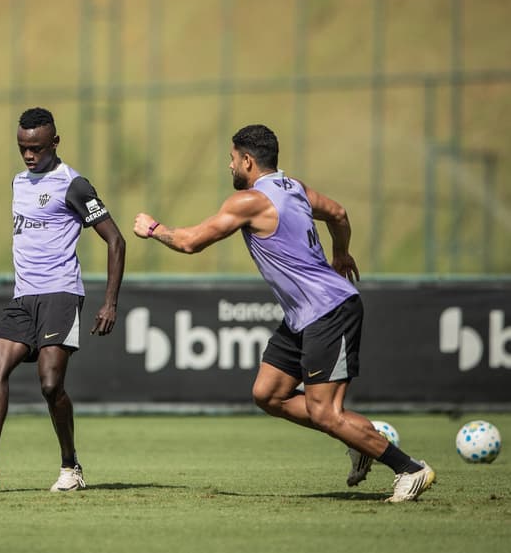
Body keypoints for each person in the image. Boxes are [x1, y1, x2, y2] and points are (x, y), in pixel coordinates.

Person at [133, 124, 435, 503]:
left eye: (231, 159)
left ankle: (409, 468)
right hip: (303, 316)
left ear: (247, 160)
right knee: (268, 393)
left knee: (324, 413)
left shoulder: (250, 201)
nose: (228, 167)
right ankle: (360, 438)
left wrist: (154, 228)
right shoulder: (296, 188)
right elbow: (339, 214)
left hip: (329, 310)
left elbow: (191, 242)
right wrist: (340, 252)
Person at [0, 107, 125, 492]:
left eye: (36, 148)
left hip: (61, 294)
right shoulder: (18, 183)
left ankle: (71, 467)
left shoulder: (74, 185)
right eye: (22, 148)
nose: (29, 155)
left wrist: (110, 302)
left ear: (55, 142)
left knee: (50, 385)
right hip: (23, 297)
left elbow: (116, 240)